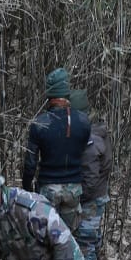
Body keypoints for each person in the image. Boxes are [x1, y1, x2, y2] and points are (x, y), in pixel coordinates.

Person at [21, 68, 91, 235]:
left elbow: (30, 163)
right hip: (73, 188)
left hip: (48, 188)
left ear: (49, 93)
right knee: (68, 238)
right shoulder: (83, 121)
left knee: (46, 237)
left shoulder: (40, 124)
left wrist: (27, 187)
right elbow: (84, 156)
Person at [68, 89, 113, 260]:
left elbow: (90, 178)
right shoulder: (98, 131)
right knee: (92, 239)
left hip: (91, 199)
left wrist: (77, 198)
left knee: (85, 240)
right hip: (98, 195)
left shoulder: (90, 140)